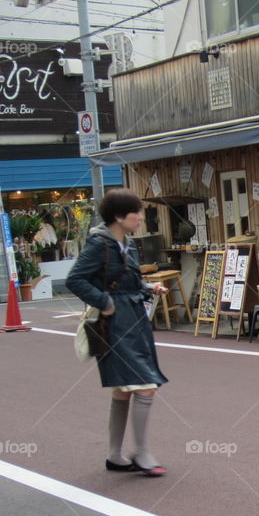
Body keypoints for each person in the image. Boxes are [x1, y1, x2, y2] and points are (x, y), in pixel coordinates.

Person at [66, 190, 170, 475]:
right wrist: (105, 302)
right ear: (118, 216)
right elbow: (75, 279)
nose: (140, 217)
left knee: (124, 388)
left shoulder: (129, 244)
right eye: (135, 212)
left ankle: (115, 455)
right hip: (115, 323)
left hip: (134, 317)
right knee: (145, 384)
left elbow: (128, 279)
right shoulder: (100, 244)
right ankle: (141, 452)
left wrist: (149, 287)